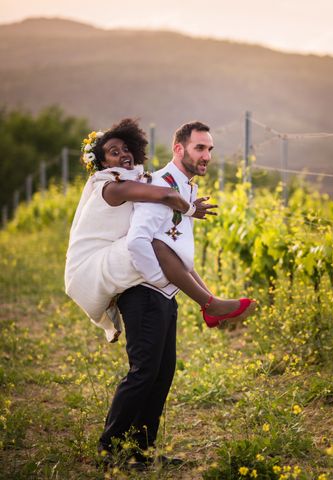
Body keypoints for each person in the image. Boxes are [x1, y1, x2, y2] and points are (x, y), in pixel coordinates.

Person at [97, 121, 251, 467]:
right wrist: (158, 280)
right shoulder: (160, 184)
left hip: (163, 295)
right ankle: (108, 451)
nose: (207, 155)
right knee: (143, 372)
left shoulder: (187, 188)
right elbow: (139, 240)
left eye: (210, 149)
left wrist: (179, 288)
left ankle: (140, 453)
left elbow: (173, 245)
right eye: (200, 148)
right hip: (144, 293)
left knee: (161, 373)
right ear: (179, 149)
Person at [65, 119, 255, 345]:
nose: (123, 154)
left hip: (104, 256)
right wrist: (191, 209)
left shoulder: (129, 179)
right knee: (156, 243)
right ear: (104, 162)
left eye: (126, 148)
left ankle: (210, 302)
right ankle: (210, 304)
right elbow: (167, 196)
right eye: (114, 152)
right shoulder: (114, 186)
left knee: (166, 244)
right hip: (91, 266)